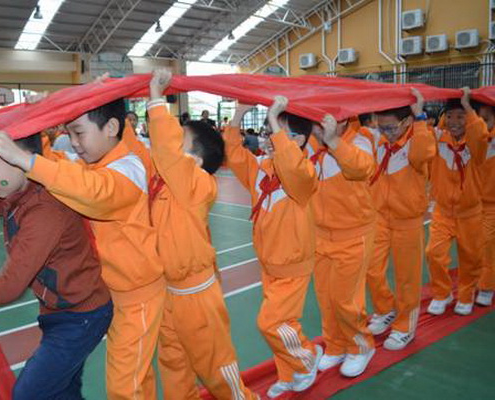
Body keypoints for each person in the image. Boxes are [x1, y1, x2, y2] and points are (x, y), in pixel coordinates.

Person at [0, 96, 165, 400]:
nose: (74, 142)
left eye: (79, 133)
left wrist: (27, 160)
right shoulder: (89, 164)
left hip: (136, 295)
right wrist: (37, 120)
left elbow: (93, 191)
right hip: (106, 291)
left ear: (111, 128)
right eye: (68, 133)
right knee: (122, 376)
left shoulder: (128, 169)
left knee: (126, 383)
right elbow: (54, 163)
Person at [0, 133, 112, 400]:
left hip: (81, 317)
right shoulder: (15, 191)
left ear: (21, 159)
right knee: (63, 390)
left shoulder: (45, 210)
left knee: (29, 393)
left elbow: (9, 285)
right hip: (58, 312)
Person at [142, 69, 257, 399]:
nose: (169, 142)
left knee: (216, 366)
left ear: (195, 159)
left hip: (196, 293)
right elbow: (143, 150)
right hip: (168, 291)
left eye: (179, 138)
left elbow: (166, 152)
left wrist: (156, 98)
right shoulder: (166, 181)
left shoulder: (198, 183)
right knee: (173, 364)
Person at [225, 98, 322, 397]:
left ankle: (307, 357)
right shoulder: (261, 169)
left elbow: (292, 167)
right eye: (270, 132)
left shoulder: (304, 174)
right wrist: (238, 115)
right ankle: (288, 372)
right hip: (269, 263)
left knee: (270, 322)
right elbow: (233, 153)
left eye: (278, 133)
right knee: (283, 324)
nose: (270, 139)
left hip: (293, 265)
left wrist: (276, 123)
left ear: (299, 141)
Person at [305, 112, 376, 377]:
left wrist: (333, 141)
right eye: (314, 121)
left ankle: (360, 347)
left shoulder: (360, 142)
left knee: (347, 300)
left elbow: (361, 168)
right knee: (325, 296)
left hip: (353, 235)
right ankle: (335, 345)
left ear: (343, 120)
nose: (317, 127)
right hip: (320, 234)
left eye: (323, 121)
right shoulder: (310, 145)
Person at [366, 89, 436, 350]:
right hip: (380, 218)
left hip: (408, 220)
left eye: (391, 127)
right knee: (371, 268)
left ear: (406, 122)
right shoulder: (380, 142)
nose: (386, 132)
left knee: (407, 277)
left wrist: (420, 118)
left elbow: (423, 154)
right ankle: (386, 309)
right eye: (381, 127)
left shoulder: (417, 141)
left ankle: (405, 326)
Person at [426, 88, 490, 316]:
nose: (454, 122)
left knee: (470, 257)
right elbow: (423, 133)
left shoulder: (477, 145)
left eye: (461, 117)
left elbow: (479, 135)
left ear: (470, 118)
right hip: (443, 211)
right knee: (434, 253)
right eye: (450, 116)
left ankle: (465, 295)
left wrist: (469, 109)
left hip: (470, 213)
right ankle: (442, 294)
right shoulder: (438, 139)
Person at [475, 101, 495, 306]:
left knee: (487, 244)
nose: (482, 124)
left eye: (486, 120)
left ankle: (487, 286)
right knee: (475, 245)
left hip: (491, 204)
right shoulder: (475, 138)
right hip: (473, 204)